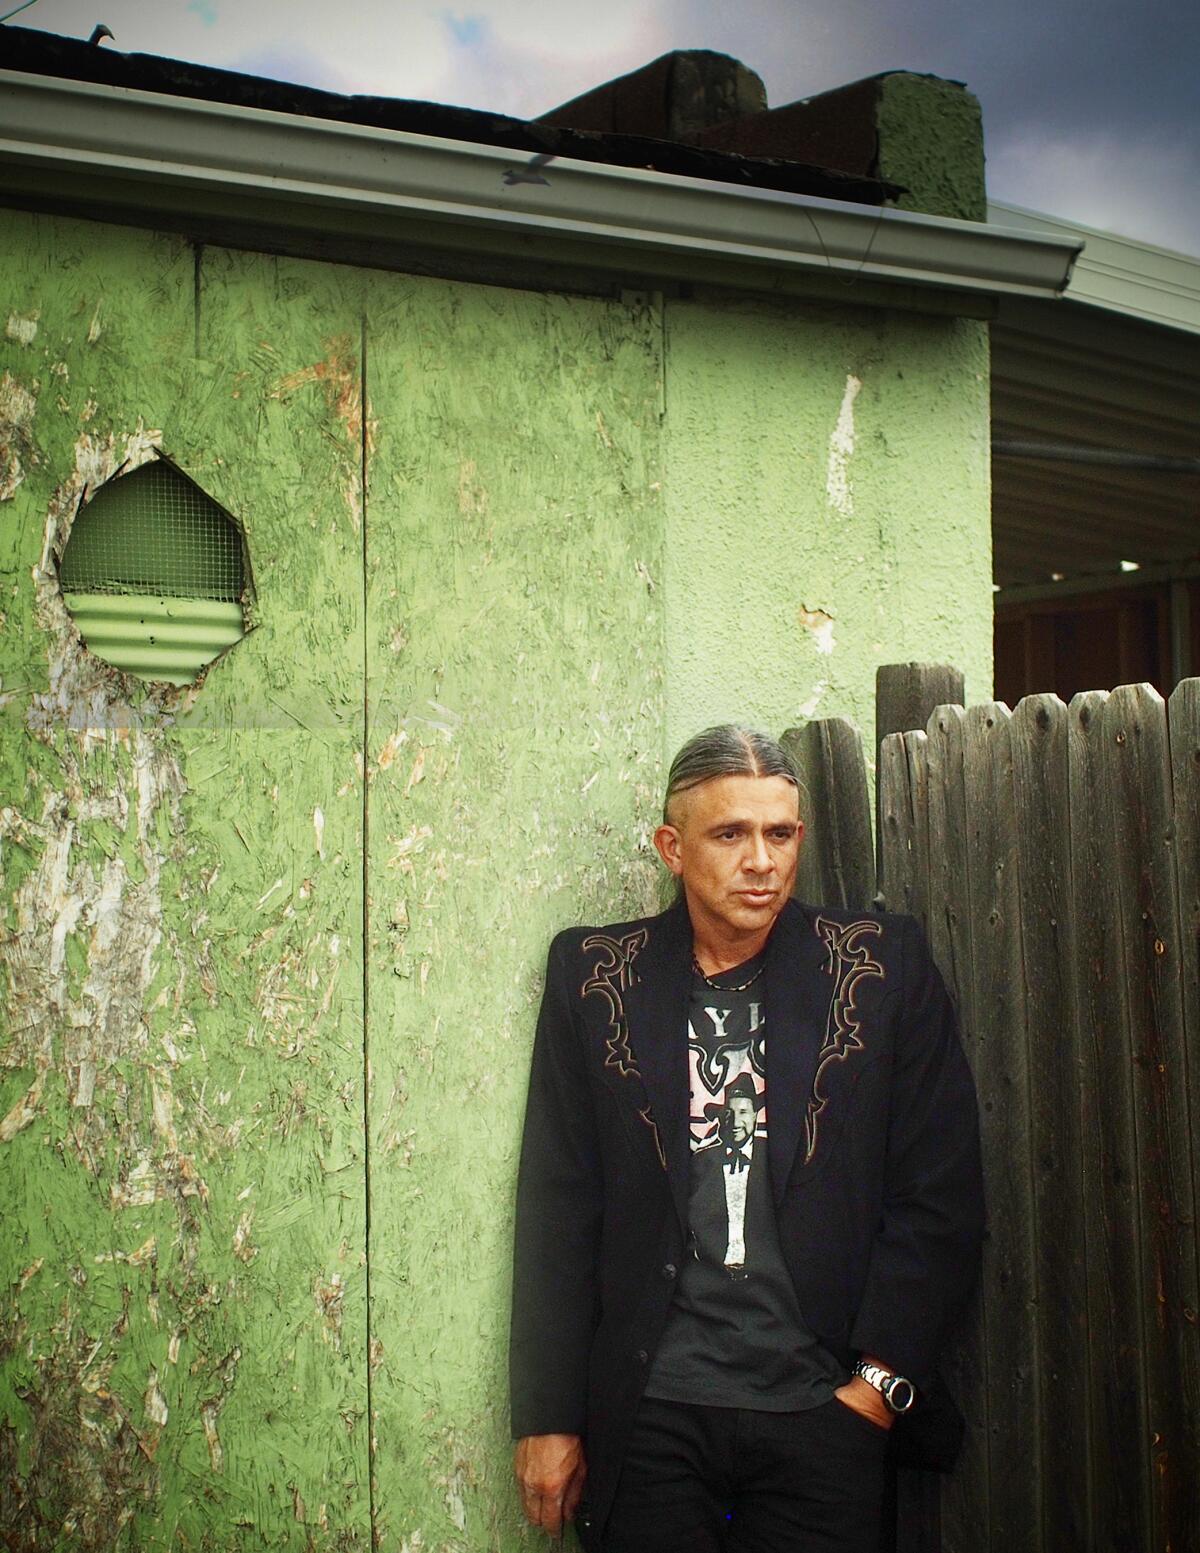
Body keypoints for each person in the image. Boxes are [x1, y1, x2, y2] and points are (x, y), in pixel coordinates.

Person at [510, 725, 983, 1551]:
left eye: (779, 832)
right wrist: (548, 1416)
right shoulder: (596, 975)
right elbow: (559, 1205)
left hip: (820, 1409)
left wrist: (874, 1387)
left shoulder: (875, 968)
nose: (761, 859)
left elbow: (939, 1193)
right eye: (730, 833)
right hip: (651, 1412)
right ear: (672, 846)